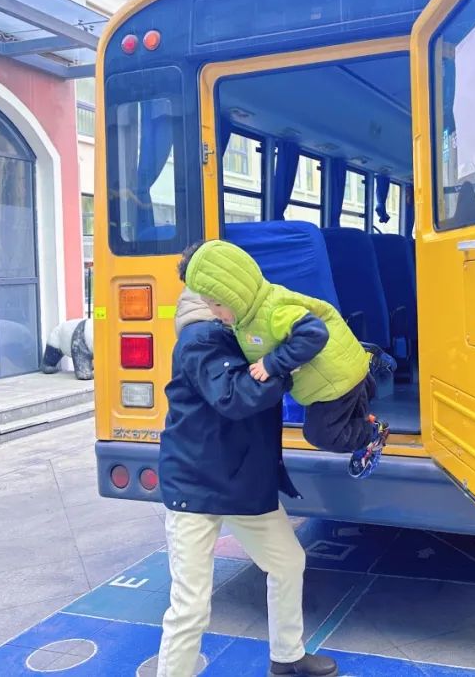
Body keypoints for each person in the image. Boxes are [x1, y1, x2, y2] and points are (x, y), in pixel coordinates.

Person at [157, 254, 339, 677]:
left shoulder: (236, 326)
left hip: (239, 482)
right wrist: (284, 366)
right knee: (191, 605)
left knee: (288, 561)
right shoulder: (201, 337)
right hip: (197, 488)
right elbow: (236, 397)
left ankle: (287, 657)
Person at [183, 240, 389, 478]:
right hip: (334, 374)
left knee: (320, 434)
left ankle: (372, 433)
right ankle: (366, 376)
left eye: (218, 304)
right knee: (349, 413)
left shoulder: (273, 311)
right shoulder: (248, 315)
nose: (214, 312)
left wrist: (272, 364)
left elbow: (314, 333)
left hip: (333, 381)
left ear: (239, 294)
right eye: (208, 305)